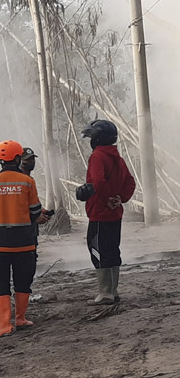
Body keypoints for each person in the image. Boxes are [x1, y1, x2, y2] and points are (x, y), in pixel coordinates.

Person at [0, 140, 48, 339]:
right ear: (18, 158)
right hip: (24, 242)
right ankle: (20, 318)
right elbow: (35, 211)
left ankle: (3, 325)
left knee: (0, 282)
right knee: (23, 280)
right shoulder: (27, 182)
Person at [76, 120, 136, 305]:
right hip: (115, 215)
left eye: (92, 136)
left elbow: (99, 182)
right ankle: (113, 290)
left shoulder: (98, 156)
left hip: (100, 213)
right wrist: (120, 198)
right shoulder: (118, 158)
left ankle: (105, 293)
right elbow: (130, 182)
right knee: (112, 249)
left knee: (97, 250)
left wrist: (106, 199)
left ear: (98, 138)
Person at [20, 147, 52, 249]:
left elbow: (29, 203)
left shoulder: (30, 180)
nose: (31, 162)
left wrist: (41, 212)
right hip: (22, 231)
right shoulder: (19, 181)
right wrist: (34, 217)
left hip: (31, 231)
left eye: (32, 159)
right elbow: (18, 206)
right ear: (19, 161)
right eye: (27, 159)